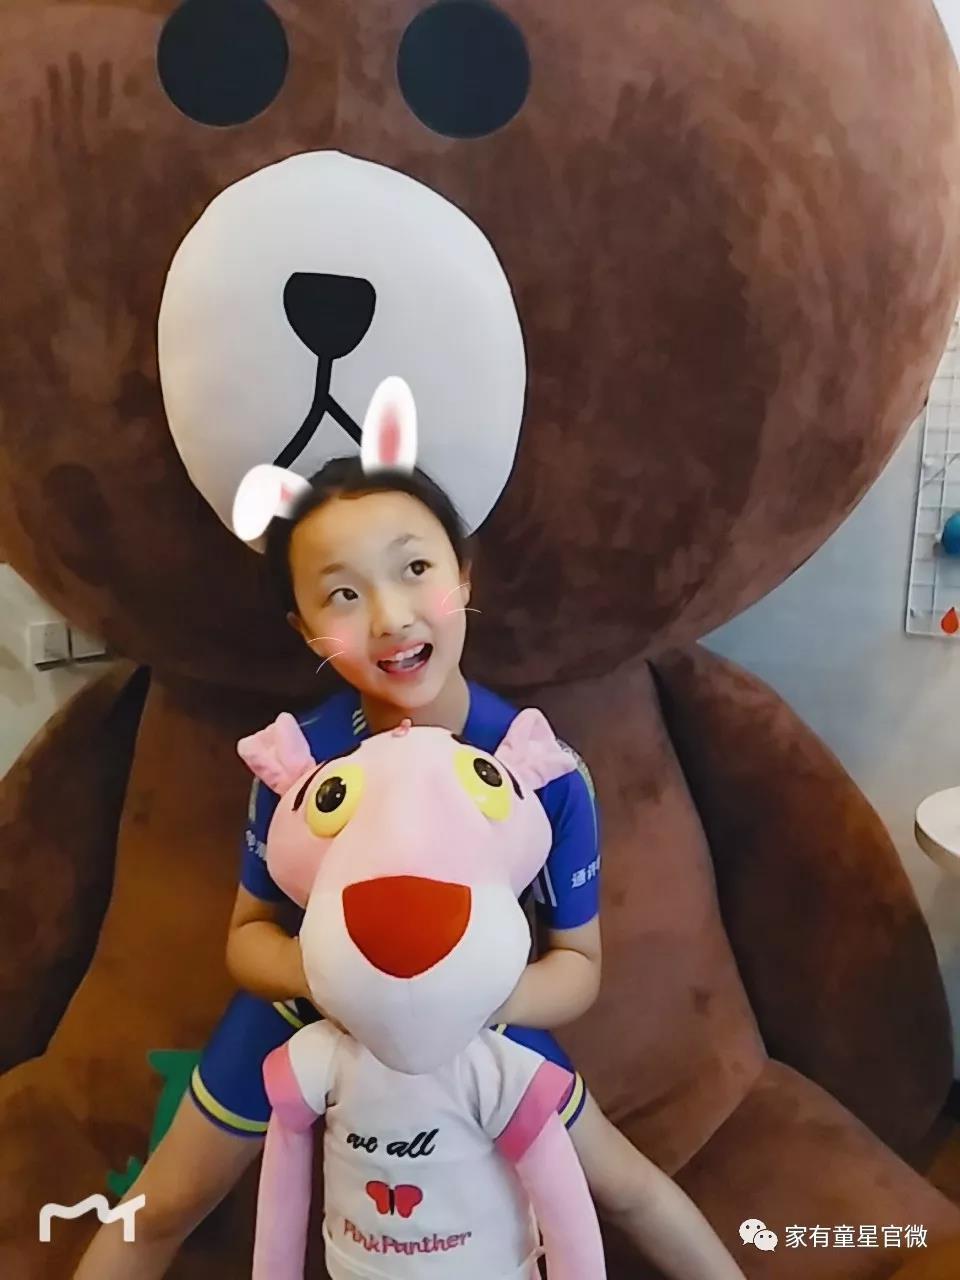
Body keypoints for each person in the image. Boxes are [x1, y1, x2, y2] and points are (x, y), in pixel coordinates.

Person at [75, 457, 744, 1280]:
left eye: (415, 568)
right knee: (161, 1204)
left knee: (629, 1188)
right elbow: (248, 939)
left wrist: (457, 996)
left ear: (463, 577)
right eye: (342, 594)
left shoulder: (539, 769)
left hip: (482, 1020)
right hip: (299, 1018)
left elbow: (578, 965)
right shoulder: (297, 763)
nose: (391, 617)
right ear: (305, 629)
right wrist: (346, 983)